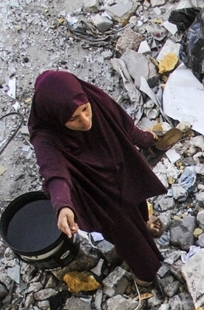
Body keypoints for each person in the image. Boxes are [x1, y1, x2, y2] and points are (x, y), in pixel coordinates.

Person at [27, 70, 177, 288]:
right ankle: (145, 275)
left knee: (137, 196)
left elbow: (123, 124)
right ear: (57, 119)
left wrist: (146, 139)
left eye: (86, 110)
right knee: (127, 235)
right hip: (96, 191)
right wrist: (63, 205)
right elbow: (53, 171)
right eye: (73, 119)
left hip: (120, 166)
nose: (86, 121)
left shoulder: (90, 96)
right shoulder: (46, 136)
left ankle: (144, 222)